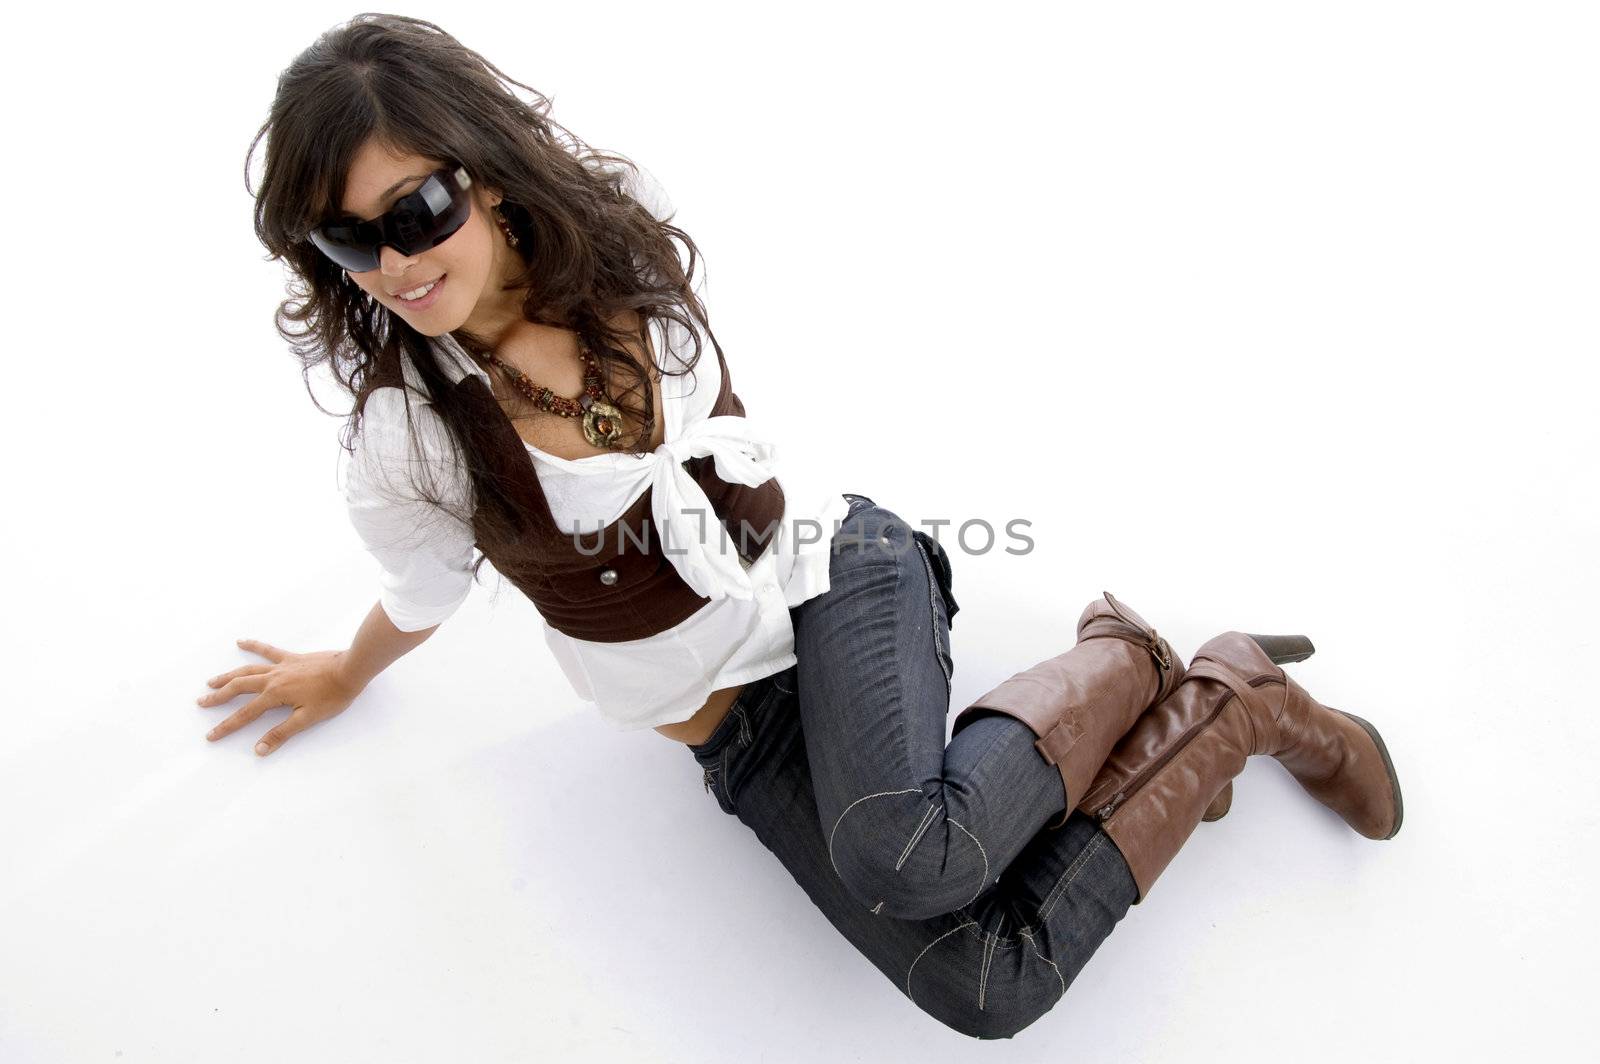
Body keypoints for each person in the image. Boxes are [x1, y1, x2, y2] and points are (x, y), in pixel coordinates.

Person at [206, 13, 1404, 1041]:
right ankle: (1216, 700)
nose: (392, 263)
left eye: (414, 209)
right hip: (735, 730)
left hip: (836, 579)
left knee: (907, 849)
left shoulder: (621, 230)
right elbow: (422, 592)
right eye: (346, 239)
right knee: (990, 985)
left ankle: (1139, 668)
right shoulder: (407, 437)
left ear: (487, 171)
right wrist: (345, 673)